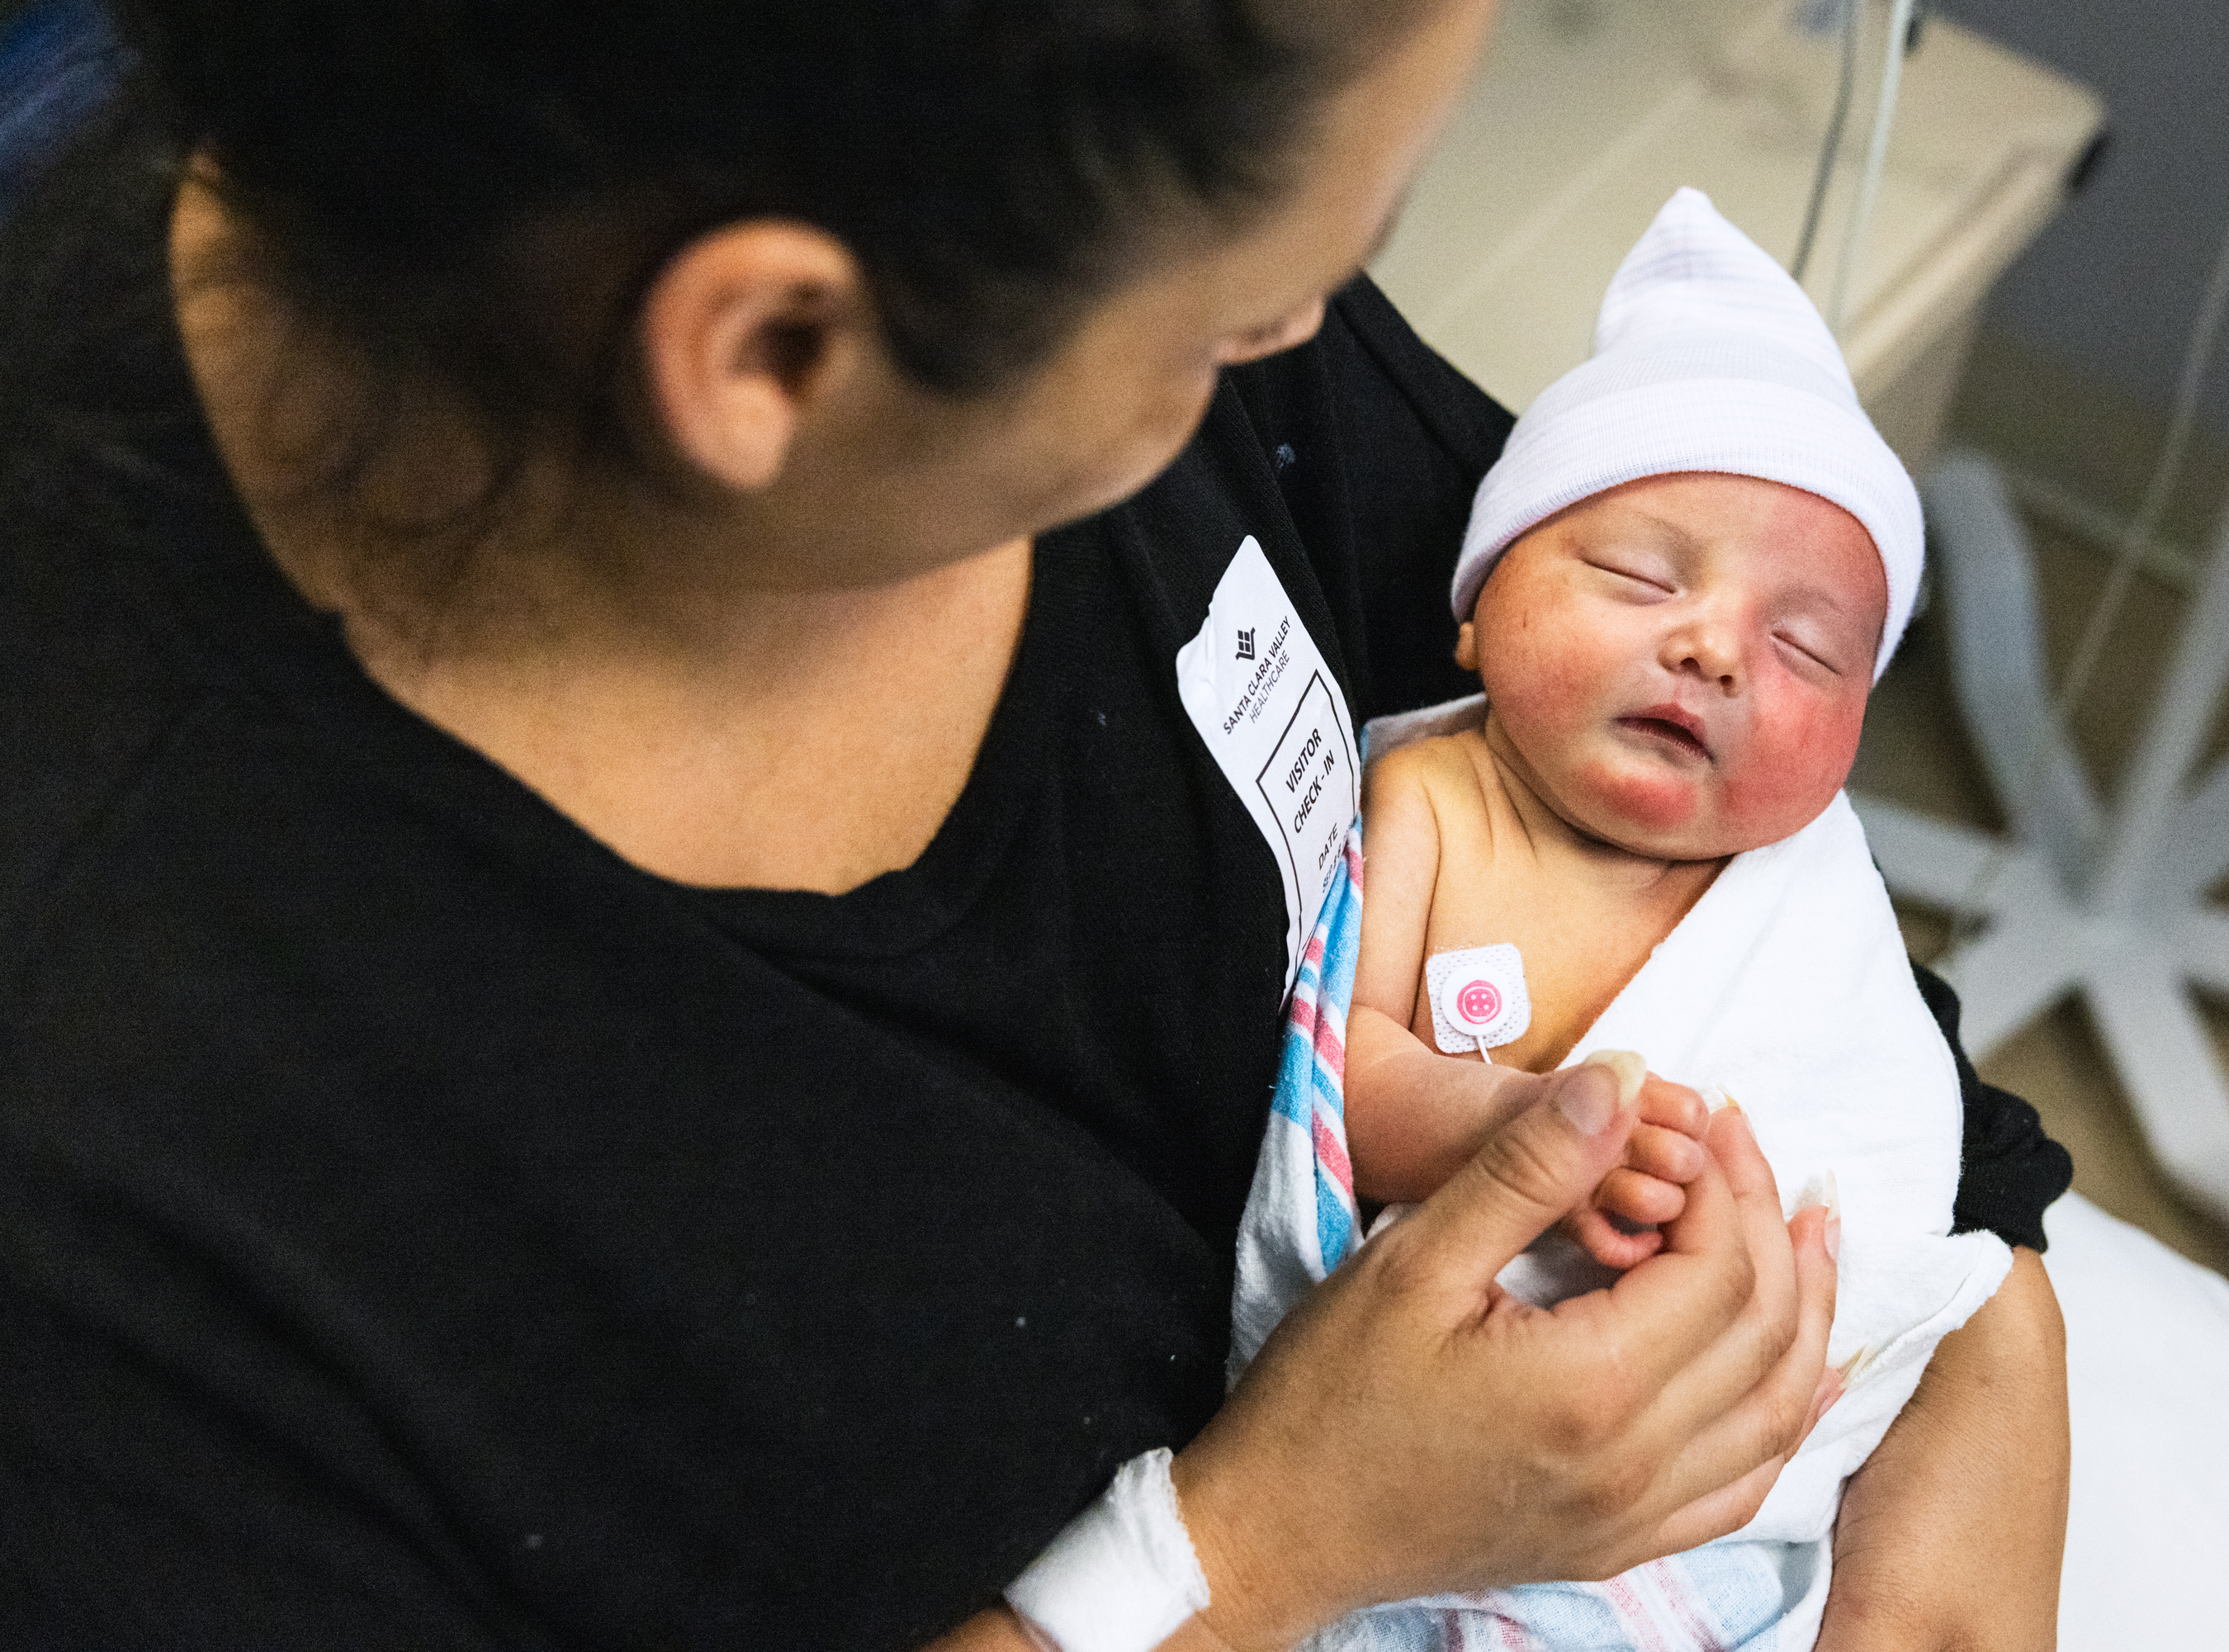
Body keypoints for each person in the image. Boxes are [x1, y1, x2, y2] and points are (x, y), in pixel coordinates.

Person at [0, 1, 2069, 1646]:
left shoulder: (1026, 198)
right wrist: (1263, 1550)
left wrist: (1975, 1336)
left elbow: (1711, 843)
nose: (1305, 334)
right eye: (1244, 306)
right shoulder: (124, 1214)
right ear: (778, 348)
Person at [1234, 187, 2019, 1649]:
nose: (1714, 644)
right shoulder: (1432, 805)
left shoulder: (1804, 893)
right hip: (1457, 1431)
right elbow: (1347, 1079)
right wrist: (1505, 1130)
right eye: (1637, 575)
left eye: (1805, 648)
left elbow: (1888, 1143)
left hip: (1730, 1460)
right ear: (1473, 612)